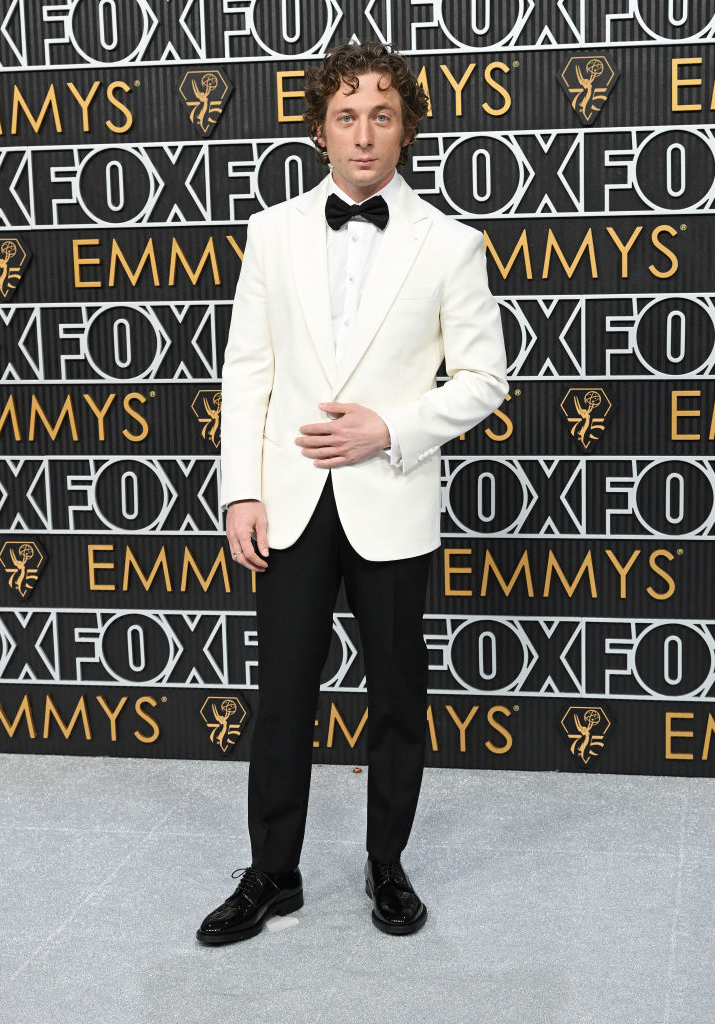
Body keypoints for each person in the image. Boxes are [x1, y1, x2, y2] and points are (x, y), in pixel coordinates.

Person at [196, 41, 508, 945]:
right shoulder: (272, 230)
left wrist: (391, 428)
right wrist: (240, 493)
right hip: (287, 503)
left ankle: (387, 865)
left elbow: (484, 378)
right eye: (345, 114)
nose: (362, 133)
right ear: (319, 129)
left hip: (391, 496)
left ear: (405, 126)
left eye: (380, 114)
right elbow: (246, 371)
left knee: (398, 700)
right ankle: (271, 874)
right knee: (284, 695)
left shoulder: (448, 245)